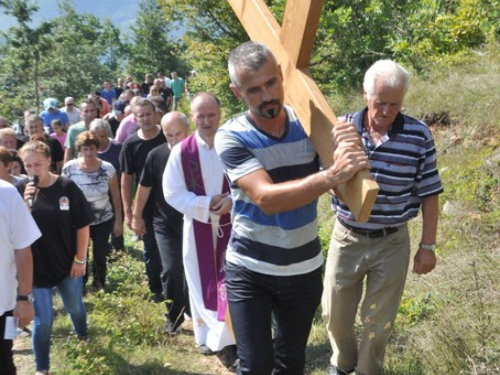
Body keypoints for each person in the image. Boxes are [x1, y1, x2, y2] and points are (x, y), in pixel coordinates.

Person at [213, 41, 369, 375]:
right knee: (255, 366)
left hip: (303, 269)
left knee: (290, 364)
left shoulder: (311, 125)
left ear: (282, 75)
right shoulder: (231, 136)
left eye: (271, 83)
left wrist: (347, 148)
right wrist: (332, 173)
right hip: (250, 270)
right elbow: (267, 199)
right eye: (253, 90)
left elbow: (342, 191)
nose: (266, 95)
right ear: (236, 92)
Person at [322, 59, 443, 375]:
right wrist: (341, 181)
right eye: (380, 103)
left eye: (395, 104)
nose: (387, 111)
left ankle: (367, 371)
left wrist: (427, 245)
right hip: (347, 236)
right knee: (334, 315)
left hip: (391, 241)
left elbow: (430, 192)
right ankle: (343, 363)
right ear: (365, 95)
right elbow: (327, 180)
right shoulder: (342, 128)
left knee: (378, 322)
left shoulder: (418, 135)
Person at [163, 93, 237, 357]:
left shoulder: (234, 142)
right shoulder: (182, 152)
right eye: (200, 116)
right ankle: (205, 334)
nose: (206, 121)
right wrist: (206, 204)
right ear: (192, 116)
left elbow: (250, 181)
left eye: (211, 115)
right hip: (198, 227)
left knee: (233, 280)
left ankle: (232, 334)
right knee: (199, 279)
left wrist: (231, 200)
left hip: (235, 224)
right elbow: (171, 192)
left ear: (220, 114)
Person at [16, 140, 94, 375]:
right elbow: (14, 231)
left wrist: (80, 260)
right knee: (44, 320)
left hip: (66, 265)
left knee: (75, 307)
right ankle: (42, 368)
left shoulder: (67, 187)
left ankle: (82, 335)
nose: (33, 171)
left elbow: (83, 225)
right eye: (28, 166)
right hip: (36, 268)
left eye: (38, 164)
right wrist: (25, 207)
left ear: (49, 161)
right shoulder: (21, 191)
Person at [132, 111, 190, 335]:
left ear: (187, 131)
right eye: (169, 135)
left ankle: (197, 312)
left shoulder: (197, 154)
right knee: (171, 269)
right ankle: (173, 317)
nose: (174, 140)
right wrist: (136, 216)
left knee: (192, 269)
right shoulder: (155, 155)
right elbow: (144, 187)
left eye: (178, 134)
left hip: (193, 221)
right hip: (164, 223)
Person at [62, 131, 123, 290]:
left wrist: (118, 221)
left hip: (102, 219)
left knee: (100, 254)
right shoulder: (69, 169)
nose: (88, 152)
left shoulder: (107, 169)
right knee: (80, 254)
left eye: (91, 148)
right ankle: (80, 284)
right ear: (79, 150)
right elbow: (62, 195)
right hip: (77, 221)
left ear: (97, 149)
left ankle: (99, 284)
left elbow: (116, 196)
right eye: (84, 149)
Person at [120, 98, 166, 302]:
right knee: (151, 249)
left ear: (156, 115)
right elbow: (126, 178)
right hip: (144, 204)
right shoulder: (131, 144)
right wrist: (129, 212)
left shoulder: (167, 136)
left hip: (171, 202)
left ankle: (176, 285)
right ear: (135, 119)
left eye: (149, 114)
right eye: (141, 116)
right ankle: (156, 288)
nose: (146, 119)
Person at [0, 179, 40, 375]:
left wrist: (24, 298)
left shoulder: (6, 193)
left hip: (2, 306)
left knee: (3, 364)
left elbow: (23, 248)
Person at [90, 119, 124, 252]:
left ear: (108, 134)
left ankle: (118, 250)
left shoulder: (117, 147)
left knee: (116, 220)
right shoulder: (89, 150)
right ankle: (105, 249)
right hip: (96, 195)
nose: (99, 139)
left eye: (102, 136)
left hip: (115, 191)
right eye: (96, 136)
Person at [64, 99, 98, 164]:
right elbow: (69, 152)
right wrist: (65, 172)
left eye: (92, 110)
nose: (89, 114)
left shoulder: (103, 127)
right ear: (80, 113)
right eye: (86, 111)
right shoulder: (73, 130)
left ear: (96, 111)